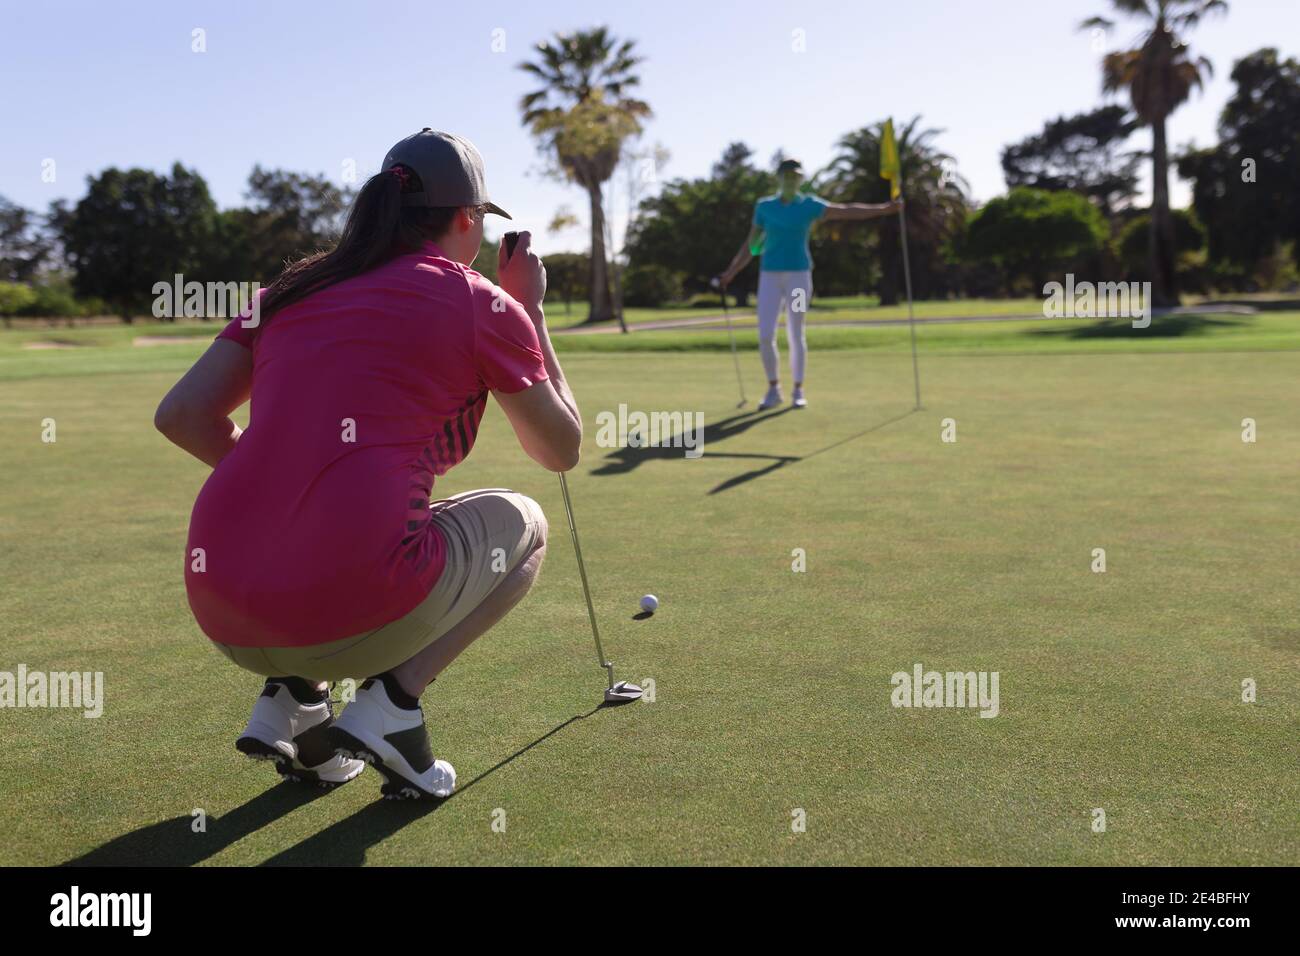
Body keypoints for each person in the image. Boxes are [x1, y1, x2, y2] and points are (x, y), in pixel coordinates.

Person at [155, 130, 580, 800]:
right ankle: (393, 710)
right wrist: (529, 309)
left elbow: (181, 416)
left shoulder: (293, 286)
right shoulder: (481, 301)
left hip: (221, 610)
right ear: (468, 219)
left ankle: (293, 703)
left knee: (338, 529)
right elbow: (560, 449)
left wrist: (292, 485)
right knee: (524, 523)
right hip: (349, 606)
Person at [718, 158, 902, 410]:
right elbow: (751, 245)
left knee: (795, 331)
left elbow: (846, 211)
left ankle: (797, 389)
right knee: (764, 335)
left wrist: (884, 209)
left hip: (798, 277)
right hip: (770, 276)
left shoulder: (809, 205)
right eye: (786, 176)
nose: (791, 180)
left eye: (795, 177)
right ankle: (774, 389)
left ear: (800, 180)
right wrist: (731, 271)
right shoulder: (764, 207)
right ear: (779, 179)